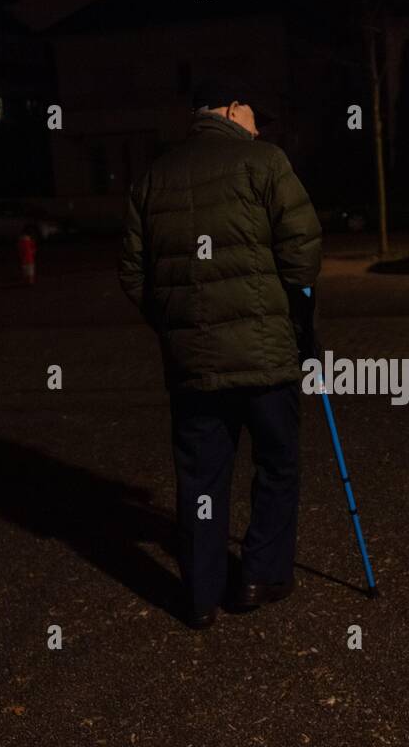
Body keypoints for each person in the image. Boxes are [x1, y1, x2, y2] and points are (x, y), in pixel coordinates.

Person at [118, 75, 322, 629]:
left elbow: (133, 273)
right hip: (266, 358)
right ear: (233, 108)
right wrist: (296, 315)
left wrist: (176, 324)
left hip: (194, 364)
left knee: (202, 478)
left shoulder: (154, 176)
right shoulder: (264, 163)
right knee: (276, 464)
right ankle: (261, 574)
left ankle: (200, 595)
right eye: (256, 115)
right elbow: (302, 246)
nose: (261, 128)